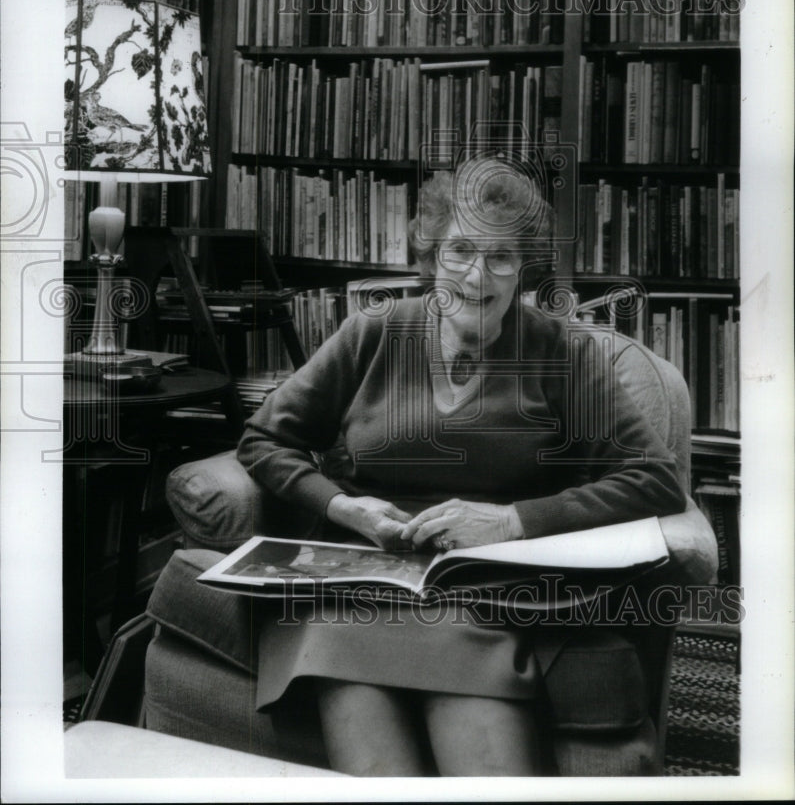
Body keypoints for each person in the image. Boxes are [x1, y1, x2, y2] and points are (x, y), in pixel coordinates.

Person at [237, 156, 686, 776]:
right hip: (361, 584)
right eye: (461, 250)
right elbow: (264, 440)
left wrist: (512, 522)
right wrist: (344, 506)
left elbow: (655, 478)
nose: (477, 274)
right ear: (432, 256)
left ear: (524, 268)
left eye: (501, 256)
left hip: (486, 591)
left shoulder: (564, 352)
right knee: (373, 765)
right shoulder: (374, 331)